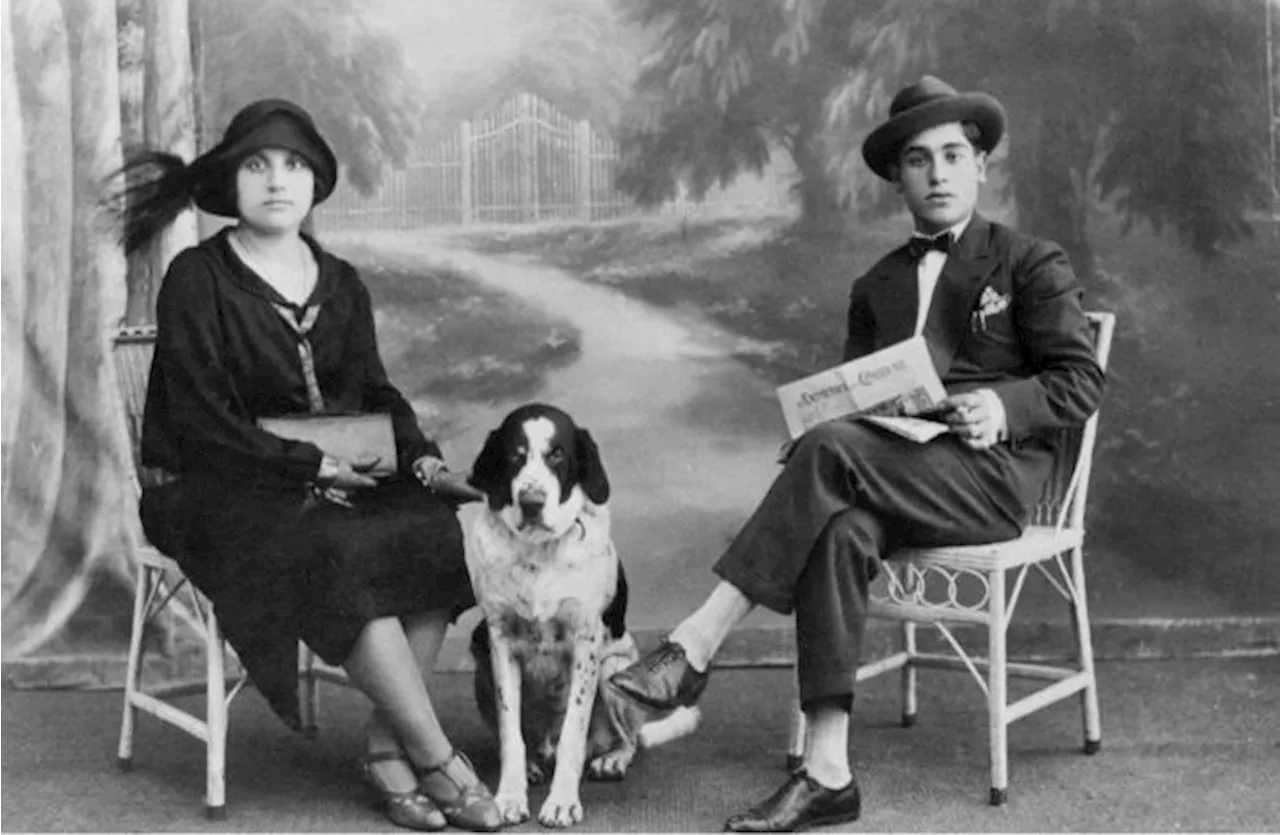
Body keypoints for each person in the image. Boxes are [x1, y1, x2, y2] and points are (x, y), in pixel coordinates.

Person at [609, 75, 1106, 832]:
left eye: (951, 155)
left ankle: (694, 643)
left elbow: (1079, 381)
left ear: (980, 166)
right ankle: (828, 774)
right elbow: (853, 399)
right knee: (839, 525)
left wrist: (1000, 406)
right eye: (917, 159)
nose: (937, 174)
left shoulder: (1028, 261)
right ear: (896, 178)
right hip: (894, 473)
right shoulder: (877, 283)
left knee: (831, 452)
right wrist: (825, 418)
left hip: (991, 482)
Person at [119, 99, 501, 832]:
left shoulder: (342, 282)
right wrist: (308, 464)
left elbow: (376, 392)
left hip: (331, 478)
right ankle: (437, 754)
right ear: (230, 185)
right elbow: (201, 422)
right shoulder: (198, 279)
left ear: (316, 183)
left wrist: (421, 461)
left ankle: (389, 749)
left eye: (293, 165)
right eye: (257, 165)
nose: (276, 180)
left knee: (434, 528)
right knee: (334, 544)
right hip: (212, 487)